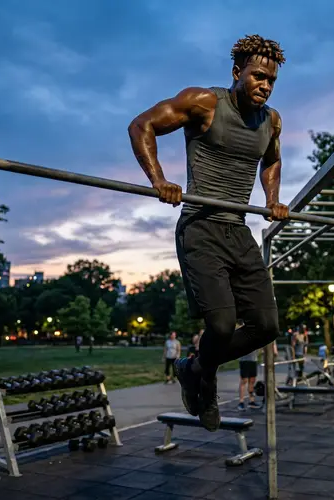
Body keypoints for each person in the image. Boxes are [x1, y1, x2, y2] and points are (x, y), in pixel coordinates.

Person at [129, 34, 289, 431]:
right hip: (200, 226)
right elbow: (141, 125)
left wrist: (273, 199)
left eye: (270, 80)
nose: (264, 85)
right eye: (257, 76)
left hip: (238, 229)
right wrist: (159, 180)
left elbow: (271, 161)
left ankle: (196, 367)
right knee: (220, 326)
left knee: (267, 326)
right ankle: (207, 379)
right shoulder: (204, 103)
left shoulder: (272, 120)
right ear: (237, 73)